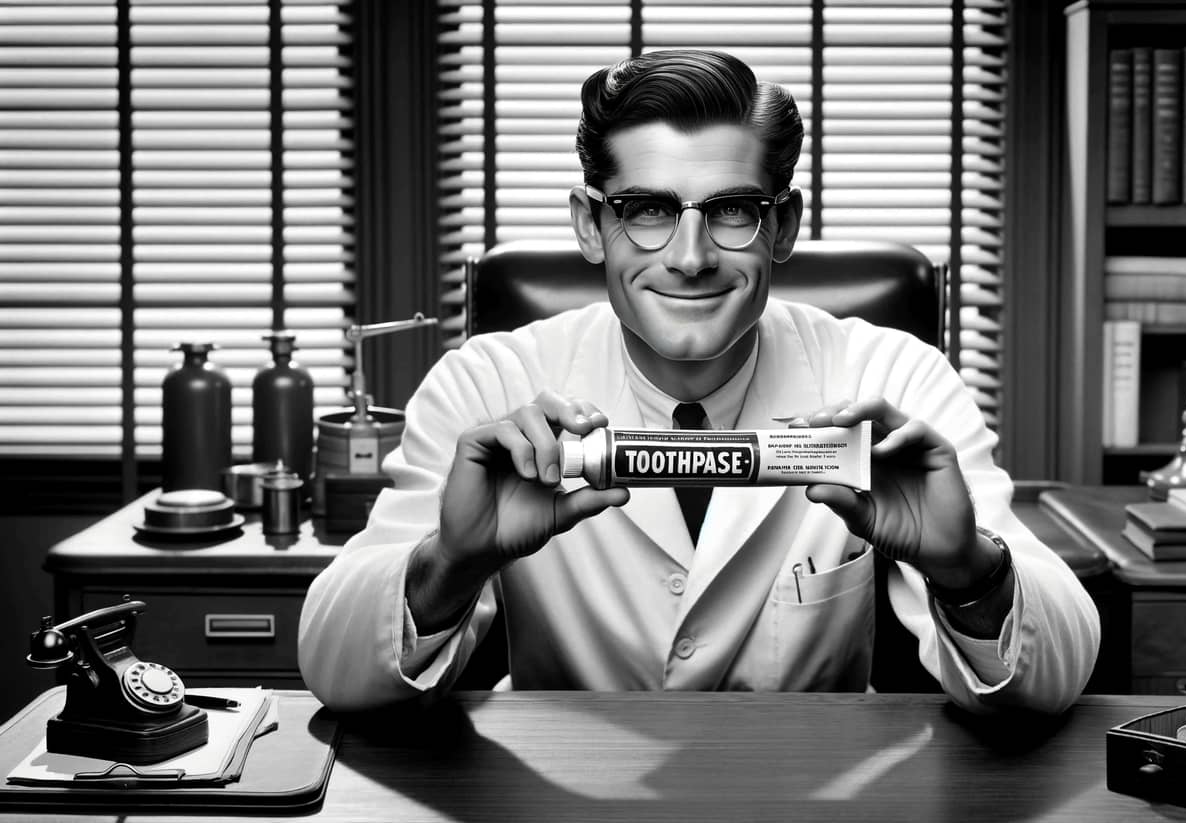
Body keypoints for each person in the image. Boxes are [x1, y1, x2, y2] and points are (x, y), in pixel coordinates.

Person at [299, 49, 1099, 714]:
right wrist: (452, 561)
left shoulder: (891, 377)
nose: (688, 256)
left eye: (732, 211)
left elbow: (1057, 671)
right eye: (646, 208)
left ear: (782, 224)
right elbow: (334, 666)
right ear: (589, 223)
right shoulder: (488, 384)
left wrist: (969, 570)